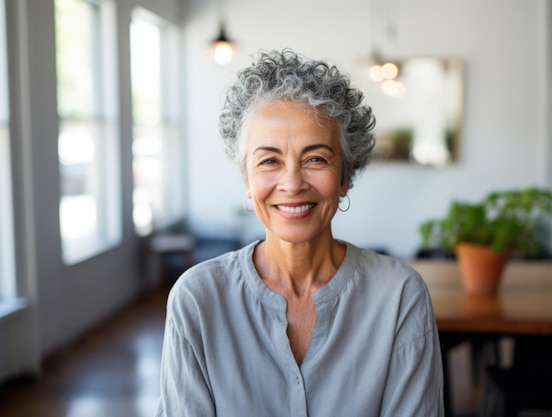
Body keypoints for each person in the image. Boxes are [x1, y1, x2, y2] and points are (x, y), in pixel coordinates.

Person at [155, 49, 444, 417]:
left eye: (316, 159)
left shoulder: (400, 296)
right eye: (269, 161)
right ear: (247, 179)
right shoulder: (197, 299)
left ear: (346, 176)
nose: (291, 184)